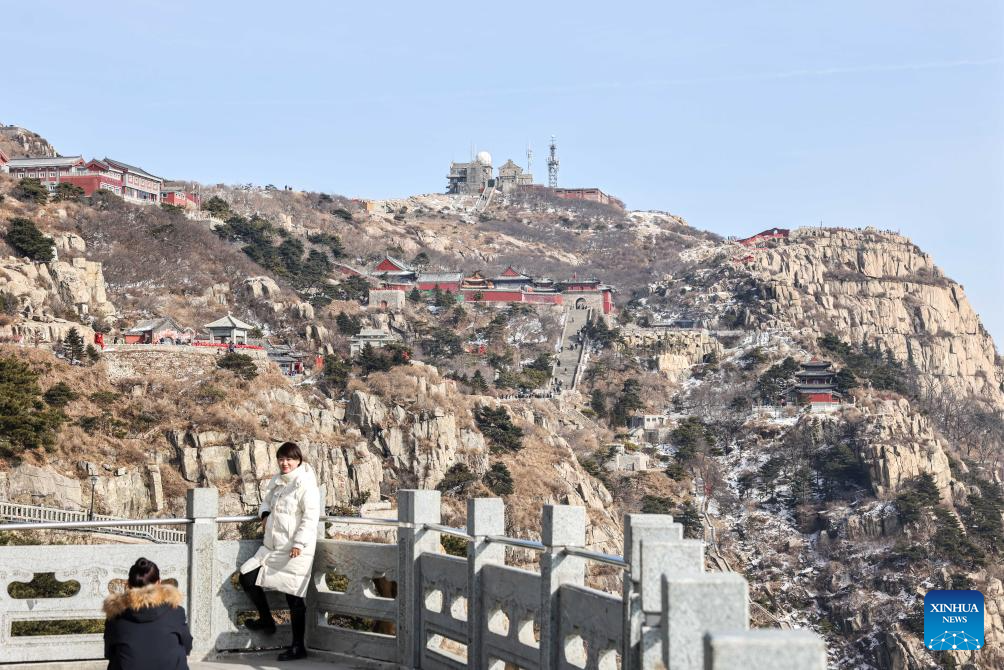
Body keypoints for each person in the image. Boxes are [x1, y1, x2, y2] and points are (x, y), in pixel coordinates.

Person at [239, 442, 320, 661]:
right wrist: (264, 514)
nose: (285, 463)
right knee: (246, 576)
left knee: (293, 598)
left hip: (295, 549)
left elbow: (311, 517)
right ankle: (267, 620)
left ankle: (297, 647)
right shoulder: (278, 481)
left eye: (289, 459)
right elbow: (266, 502)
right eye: (281, 459)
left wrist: (299, 544)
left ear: (298, 460)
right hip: (272, 547)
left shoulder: (305, 484)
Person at [103, 557, 192, 670]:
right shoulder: (176, 612)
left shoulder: (115, 615)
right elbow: (188, 645)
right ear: (159, 582)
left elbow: (109, 652)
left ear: (129, 584)